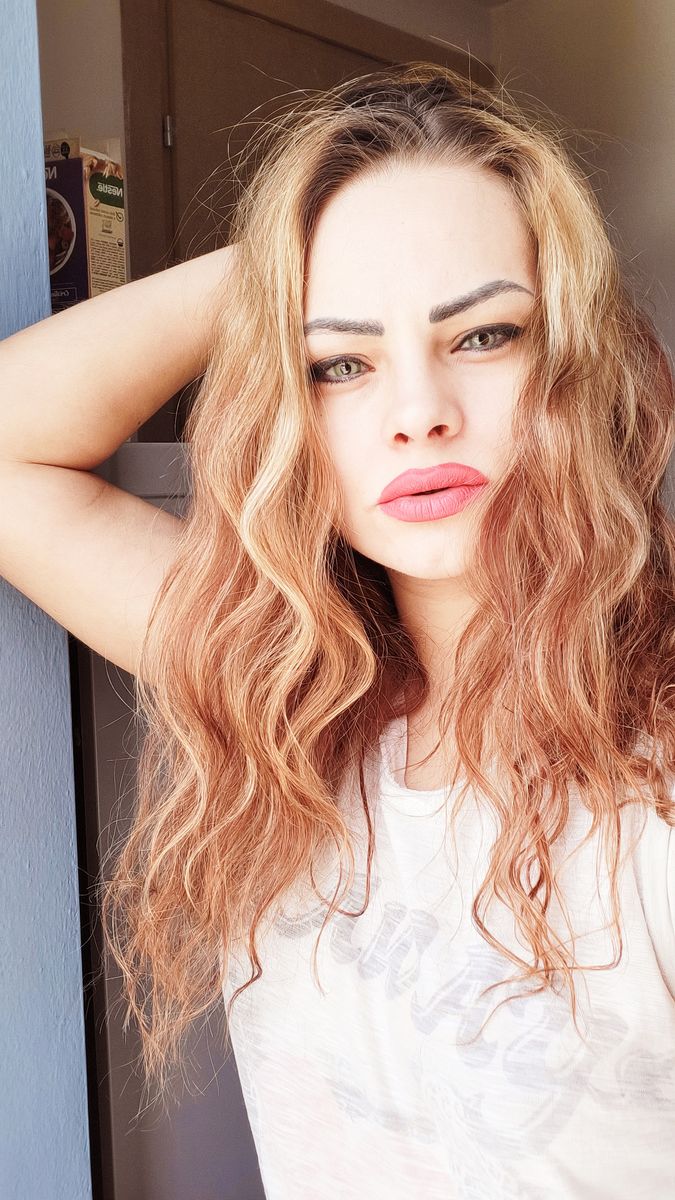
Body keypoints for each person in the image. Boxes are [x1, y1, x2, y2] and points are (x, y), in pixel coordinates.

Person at [1, 61, 674, 1198]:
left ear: (573, 358)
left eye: (484, 335)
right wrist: (281, 256)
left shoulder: (652, 765)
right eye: (339, 363)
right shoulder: (282, 691)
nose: (418, 413)